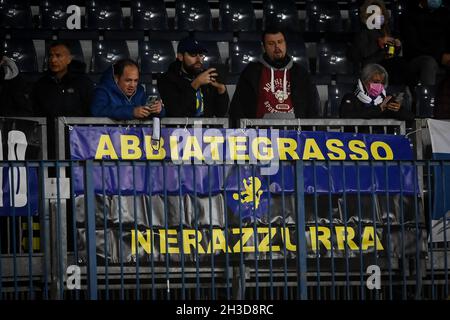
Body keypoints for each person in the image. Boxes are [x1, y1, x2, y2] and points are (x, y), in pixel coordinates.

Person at [229, 27, 320, 125]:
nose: (277, 47)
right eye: (271, 44)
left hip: (296, 135)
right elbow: (238, 108)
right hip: (259, 135)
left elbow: (312, 109)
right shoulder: (252, 72)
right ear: (263, 47)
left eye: (280, 42)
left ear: (285, 43)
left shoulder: (301, 73)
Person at [157, 37, 229, 117]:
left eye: (201, 55)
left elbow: (220, 113)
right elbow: (175, 112)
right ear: (180, 56)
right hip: (179, 129)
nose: (198, 59)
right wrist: (195, 84)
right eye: (193, 55)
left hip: (206, 128)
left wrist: (221, 90)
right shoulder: (167, 79)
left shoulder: (207, 76)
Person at [349, 0, 410, 85]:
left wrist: (397, 46)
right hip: (372, 66)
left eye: (381, 14)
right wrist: (379, 44)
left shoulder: (384, 31)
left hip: (386, 64)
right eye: (377, 14)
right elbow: (365, 55)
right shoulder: (363, 33)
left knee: (401, 64)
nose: (380, 16)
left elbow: (391, 53)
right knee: (396, 65)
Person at [32, 41, 94, 117]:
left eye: (58, 56)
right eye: (51, 56)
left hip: (76, 128)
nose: (53, 60)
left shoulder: (83, 83)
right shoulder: (40, 84)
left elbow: (91, 113)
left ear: (69, 59)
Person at [91, 58, 163, 119]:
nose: (132, 85)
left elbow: (156, 112)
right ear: (116, 78)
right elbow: (97, 111)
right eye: (128, 80)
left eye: (135, 81)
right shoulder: (102, 91)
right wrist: (131, 112)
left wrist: (158, 109)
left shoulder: (140, 92)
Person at [340, 63, 414, 121]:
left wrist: (399, 110)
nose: (379, 86)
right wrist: (378, 109)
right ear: (364, 81)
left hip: (383, 139)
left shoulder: (387, 99)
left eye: (382, 83)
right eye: (376, 82)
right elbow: (346, 115)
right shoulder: (351, 97)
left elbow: (410, 117)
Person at [401, 0, 450, 86]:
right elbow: (414, 47)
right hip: (418, 58)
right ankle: (425, 97)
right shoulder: (409, 16)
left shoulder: (445, 14)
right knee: (428, 63)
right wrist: (440, 56)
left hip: (442, 60)